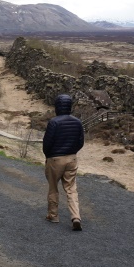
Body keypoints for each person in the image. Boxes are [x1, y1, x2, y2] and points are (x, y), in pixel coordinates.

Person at [42, 94, 84, 231]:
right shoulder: (77, 122)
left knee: (53, 187)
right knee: (71, 189)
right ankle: (76, 217)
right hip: (72, 158)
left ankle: (53, 215)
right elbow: (80, 142)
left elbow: (47, 143)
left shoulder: (54, 122)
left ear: (57, 106)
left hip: (55, 159)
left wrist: (48, 156)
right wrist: (73, 152)